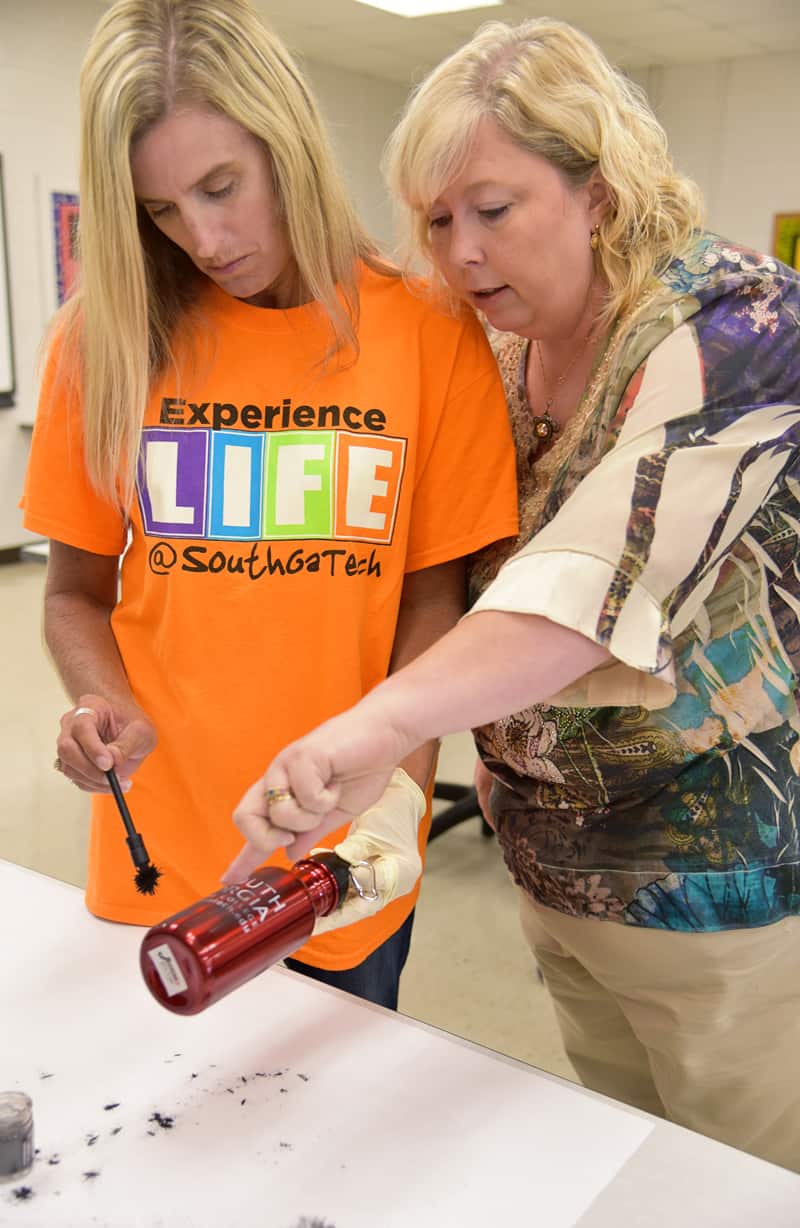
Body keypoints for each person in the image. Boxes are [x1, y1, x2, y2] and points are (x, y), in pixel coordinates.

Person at [227, 18, 800, 1169]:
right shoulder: (489, 348)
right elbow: (445, 581)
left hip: (717, 887)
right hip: (552, 871)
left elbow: (581, 582)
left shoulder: (742, 324)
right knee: (630, 1154)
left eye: (492, 209)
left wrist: (373, 725)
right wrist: (399, 800)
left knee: (743, 1172)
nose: (460, 254)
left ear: (596, 188)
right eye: (436, 220)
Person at [20, 0, 518, 1011]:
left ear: (285, 142)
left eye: (220, 187)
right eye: (159, 210)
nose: (202, 237)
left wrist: (396, 791)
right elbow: (73, 592)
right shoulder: (102, 342)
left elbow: (433, 602)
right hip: (161, 836)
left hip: (342, 840)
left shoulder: (426, 333)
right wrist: (100, 699)